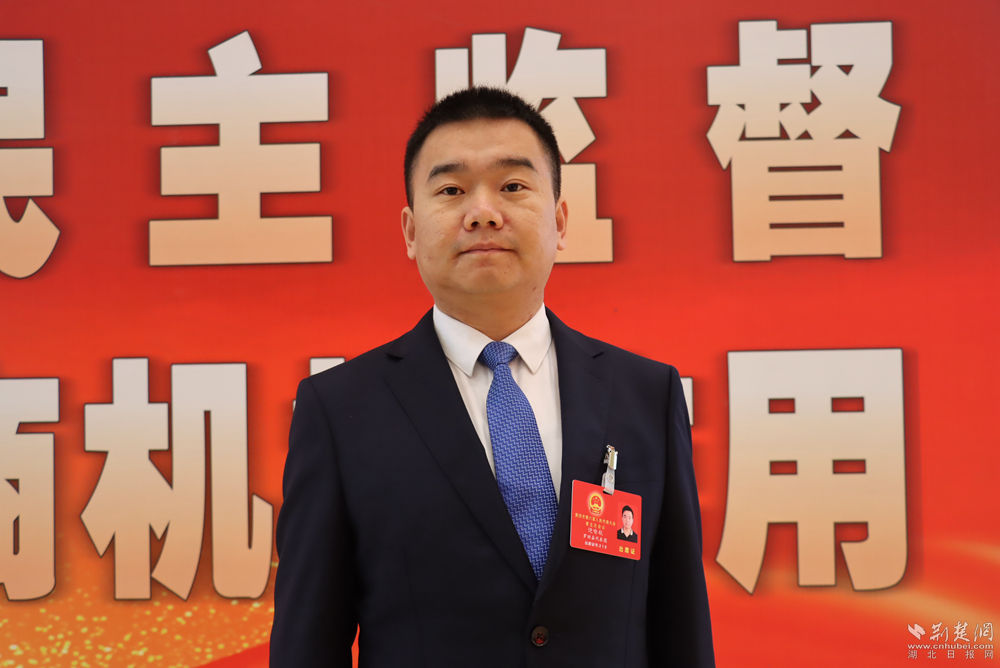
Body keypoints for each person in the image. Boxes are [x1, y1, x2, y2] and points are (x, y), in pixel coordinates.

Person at [270, 87, 714, 667]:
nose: (483, 212)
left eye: (512, 186)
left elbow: (681, 627)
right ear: (410, 231)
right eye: (451, 190)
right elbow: (307, 644)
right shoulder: (340, 411)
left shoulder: (646, 395)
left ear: (559, 222)